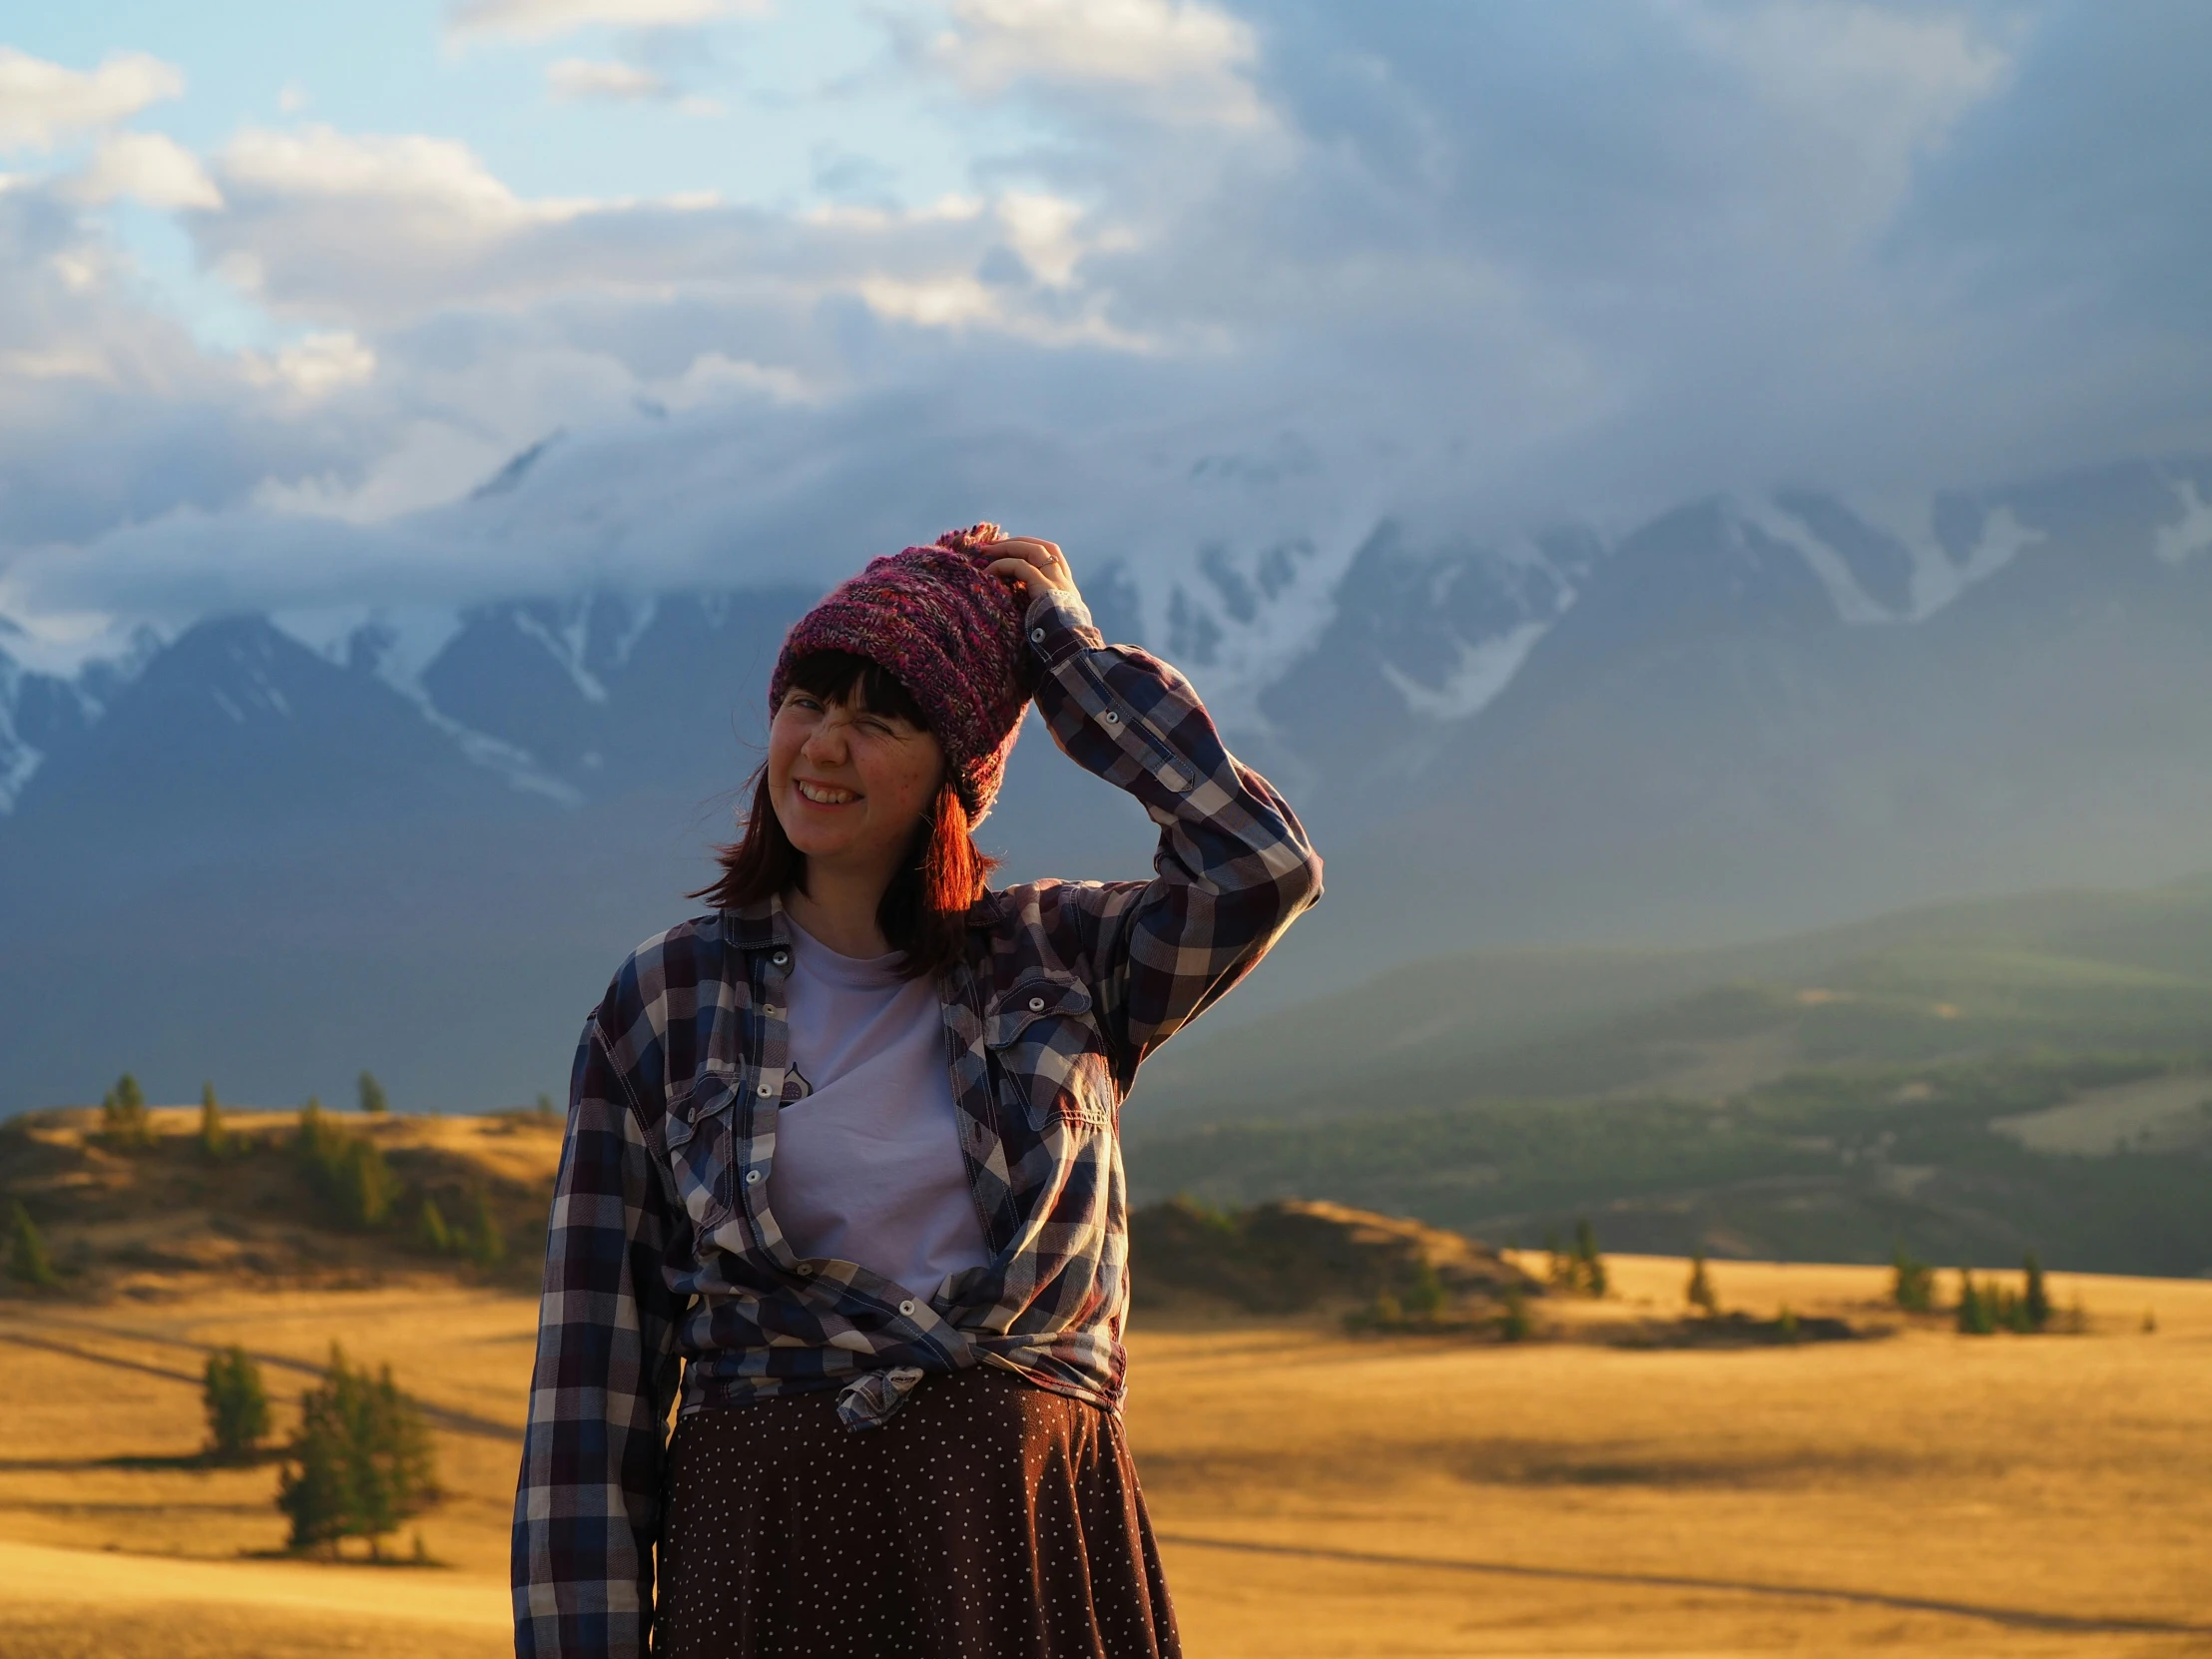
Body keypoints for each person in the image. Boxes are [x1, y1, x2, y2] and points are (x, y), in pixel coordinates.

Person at [512, 524, 1323, 1658]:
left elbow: (1260, 866)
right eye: (806, 702)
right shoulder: (661, 1001)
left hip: (1028, 1537)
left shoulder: (1064, 958)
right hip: (767, 1555)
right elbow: (591, 1397)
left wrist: (1072, 668)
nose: (822, 748)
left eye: (879, 720)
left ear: (954, 769)